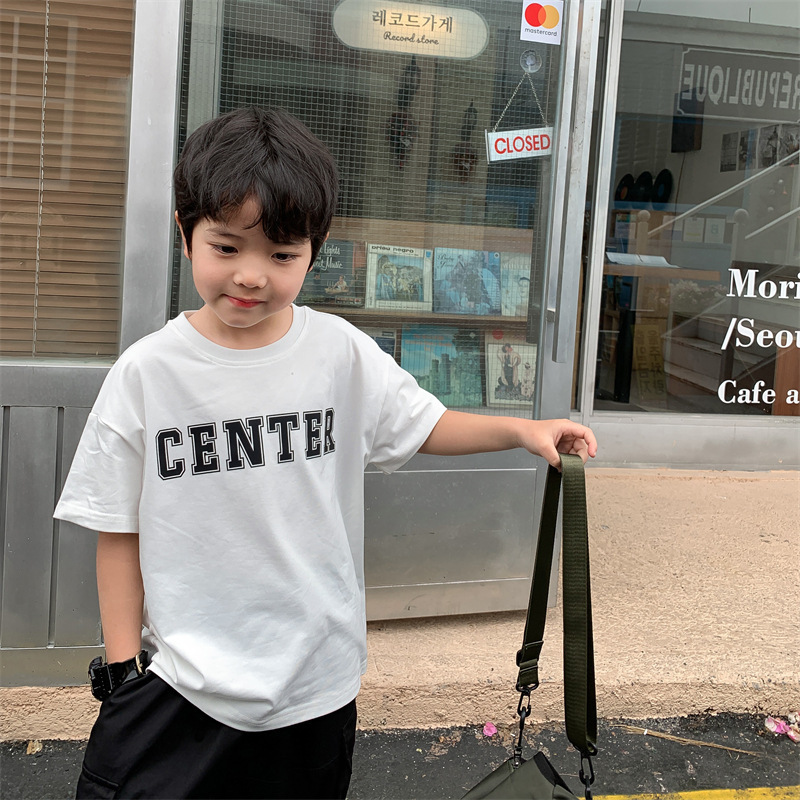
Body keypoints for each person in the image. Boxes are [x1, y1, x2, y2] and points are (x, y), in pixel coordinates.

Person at [54, 106, 596, 800]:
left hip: (315, 689)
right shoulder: (147, 373)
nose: (251, 276)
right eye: (227, 247)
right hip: (178, 690)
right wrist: (124, 675)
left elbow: (421, 424)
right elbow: (117, 531)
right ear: (184, 233)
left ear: (315, 249)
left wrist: (523, 432)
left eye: (281, 256)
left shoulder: (336, 352)